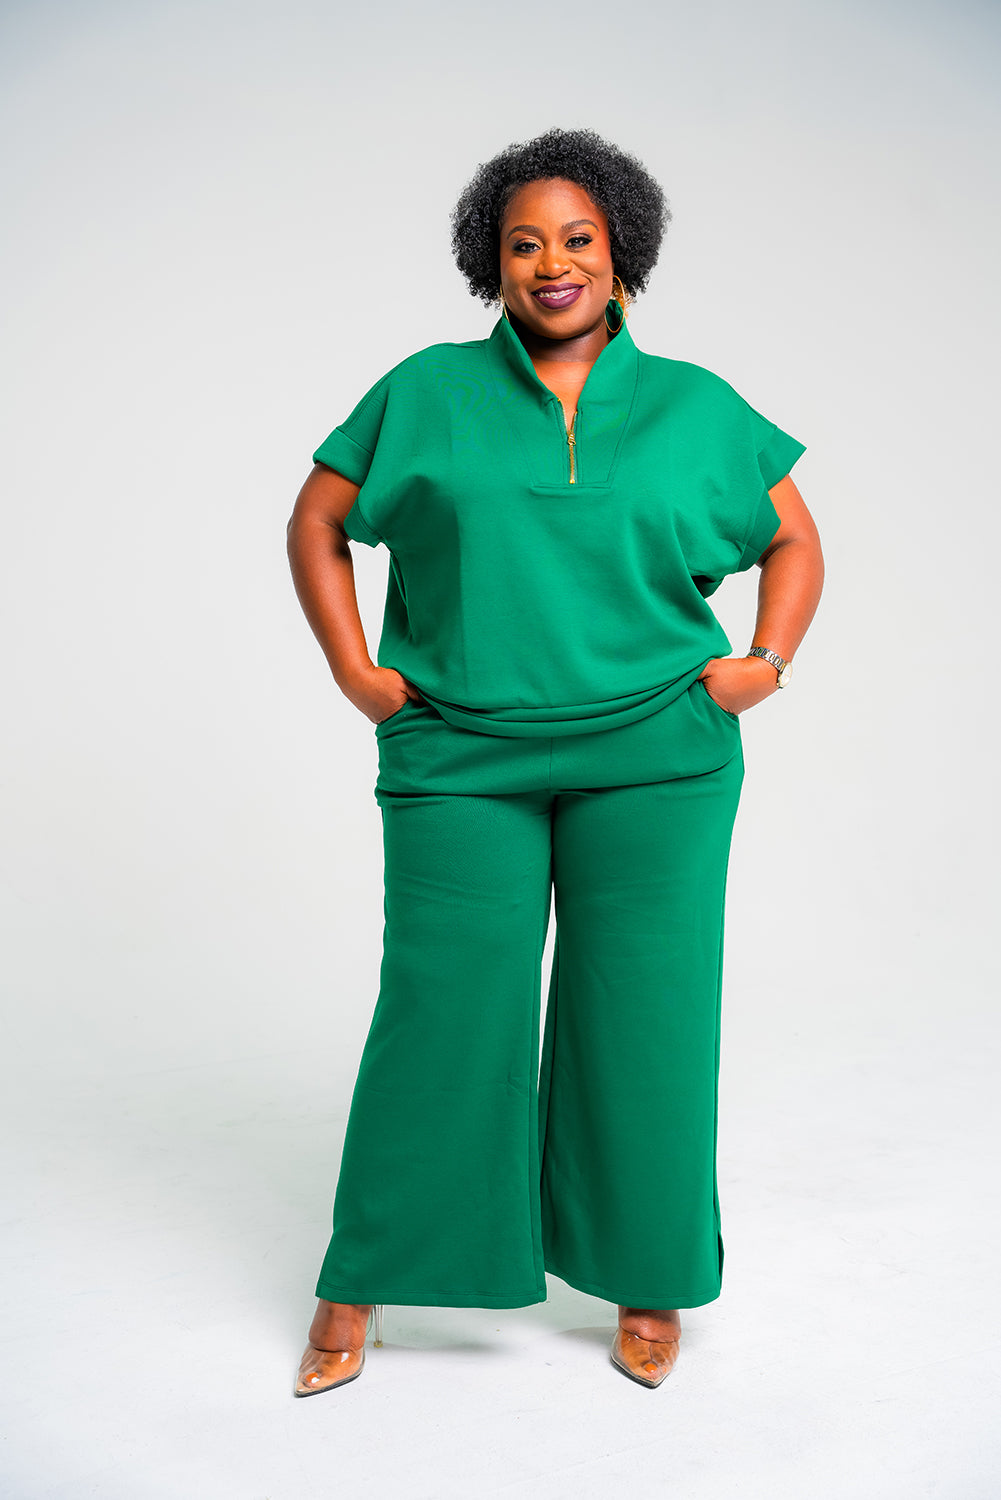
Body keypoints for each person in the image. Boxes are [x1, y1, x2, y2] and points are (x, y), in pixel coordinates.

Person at [285, 126, 824, 1395]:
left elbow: (793, 538)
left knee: (645, 1016)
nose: (551, 262)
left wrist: (765, 658)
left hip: (658, 756)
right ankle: (362, 1275)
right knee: (441, 1009)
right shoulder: (428, 390)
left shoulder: (693, 402)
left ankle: (646, 1274)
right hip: (458, 750)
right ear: (492, 263)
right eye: (522, 243)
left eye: (576, 238)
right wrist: (354, 669)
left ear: (620, 252)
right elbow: (316, 517)